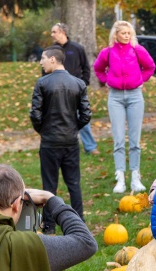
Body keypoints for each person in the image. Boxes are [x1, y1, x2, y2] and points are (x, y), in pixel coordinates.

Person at [30, 46, 92, 234]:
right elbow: (86, 114)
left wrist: (44, 131)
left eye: (43, 58)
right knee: (74, 183)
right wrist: (73, 128)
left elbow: (35, 114)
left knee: (49, 185)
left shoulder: (42, 83)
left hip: (50, 142)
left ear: (53, 60)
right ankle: (78, 223)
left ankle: (49, 227)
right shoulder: (78, 83)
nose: (40, 62)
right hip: (70, 141)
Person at [93, 21, 156, 194]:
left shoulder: (137, 50)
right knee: (119, 139)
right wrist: (106, 81)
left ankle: (135, 177)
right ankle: (120, 178)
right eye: (124, 33)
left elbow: (150, 67)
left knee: (135, 140)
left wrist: (140, 80)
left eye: (129, 33)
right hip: (115, 97)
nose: (127, 36)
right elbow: (98, 69)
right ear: (116, 34)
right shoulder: (107, 52)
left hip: (135, 96)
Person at [50, 22, 98, 155]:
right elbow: (45, 70)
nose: (52, 35)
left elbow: (86, 68)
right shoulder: (50, 51)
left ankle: (90, 147)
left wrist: (83, 84)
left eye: (54, 32)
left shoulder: (77, 48)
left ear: (62, 32)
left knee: (82, 118)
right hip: (57, 91)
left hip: (76, 90)